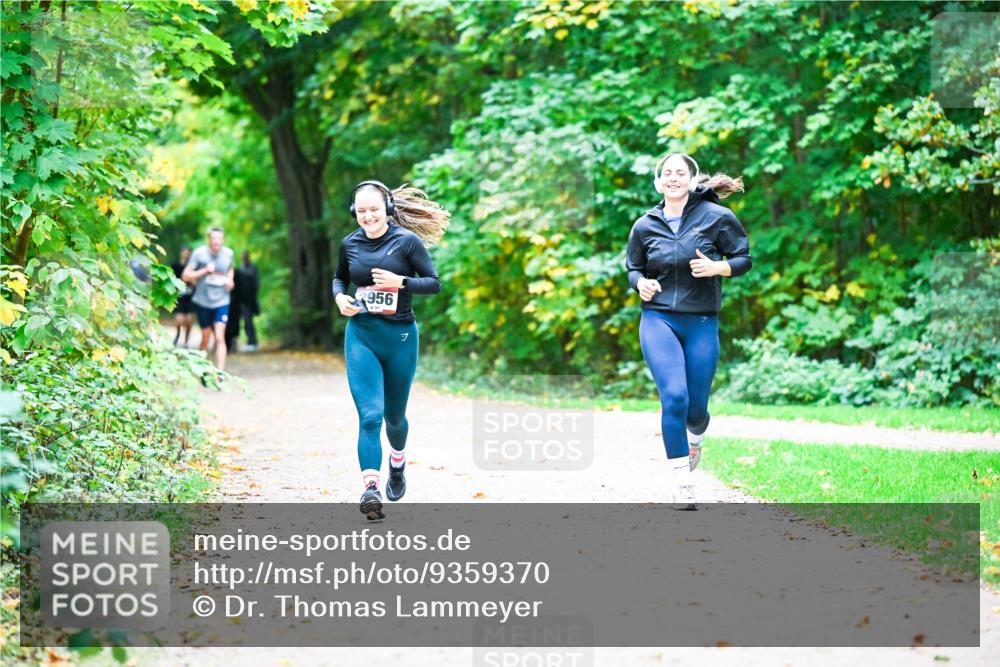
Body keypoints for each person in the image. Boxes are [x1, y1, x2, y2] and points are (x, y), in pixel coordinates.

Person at [626, 153, 752, 510]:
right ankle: (683, 481)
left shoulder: (718, 218)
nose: (673, 178)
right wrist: (640, 284)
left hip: (701, 321)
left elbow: (744, 258)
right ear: (658, 182)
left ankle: (696, 436)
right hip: (658, 319)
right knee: (675, 398)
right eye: (667, 173)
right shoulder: (644, 225)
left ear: (692, 180)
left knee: (696, 410)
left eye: (680, 173)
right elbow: (633, 267)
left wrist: (718, 267)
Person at [332, 180, 450, 520]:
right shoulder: (349, 244)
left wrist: (401, 283)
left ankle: (397, 462)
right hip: (362, 335)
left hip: (400, 338)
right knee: (370, 416)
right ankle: (371, 487)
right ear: (354, 212)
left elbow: (434, 283)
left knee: (394, 418)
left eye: (374, 209)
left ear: (387, 209)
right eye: (362, 211)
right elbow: (339, 278)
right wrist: (340, 298)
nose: (368, 216)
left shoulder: (407, 242)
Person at [183, 227, 235, 371]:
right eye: (213, 238)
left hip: (222, 301)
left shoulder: (228, 254)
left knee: (219, 336)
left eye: (219, 239)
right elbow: (185, 276)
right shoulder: (199, 254)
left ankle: (220, 373)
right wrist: (204, 271)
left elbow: (230, 269)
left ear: (223, 240)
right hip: (203, 301)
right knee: (206, 337)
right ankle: (203, 369)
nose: (216, 242)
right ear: (209, 240)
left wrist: (231, 280)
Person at [236, 251, 260, 351]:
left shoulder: (253, 268)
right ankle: (251, 342)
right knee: (245, 321)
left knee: (248, 321)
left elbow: (257, 284)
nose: (244, 258)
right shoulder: (240, 269)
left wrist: (253, 296)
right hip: (241, 300)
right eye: (243, 257)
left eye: (246, 256)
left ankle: (252, 342)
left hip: (250, 300)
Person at [172, 246, 195, 347]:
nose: (186, 254)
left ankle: (186, 340)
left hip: (190, 297)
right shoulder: (175, 266)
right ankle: (177, 334)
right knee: (179, 320)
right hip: (179, 297)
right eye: (184, 252)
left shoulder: (193, 267)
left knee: (189, 320)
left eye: (188, 253)